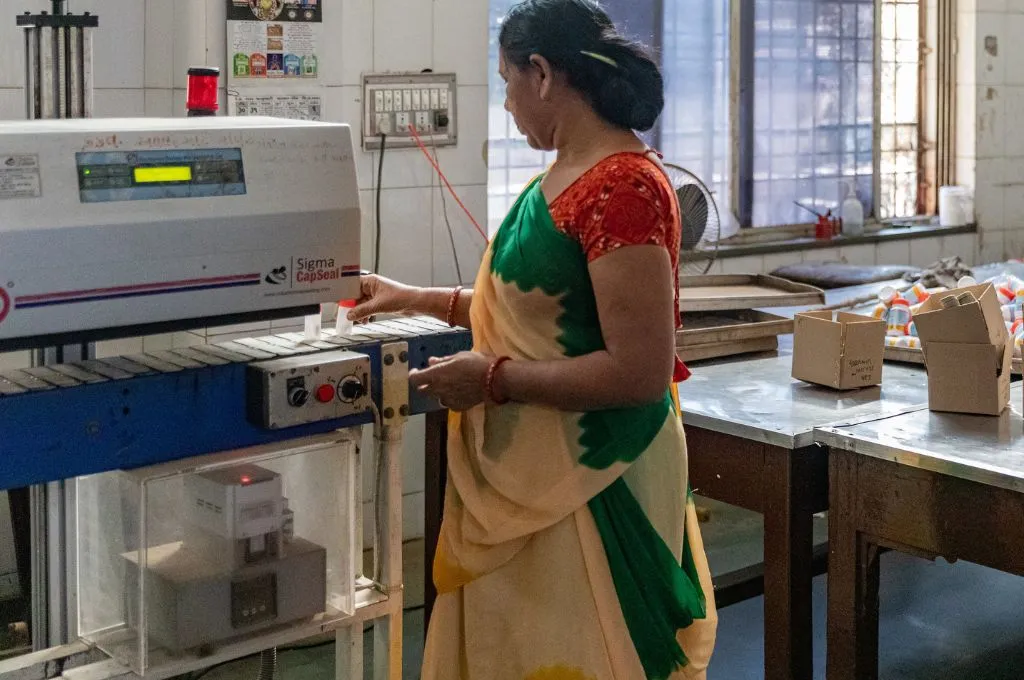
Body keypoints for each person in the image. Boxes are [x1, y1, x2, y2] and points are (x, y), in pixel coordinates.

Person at [347, 0, 717, 677]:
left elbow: (638, 371)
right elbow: (526, 313)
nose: (509, 104)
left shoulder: (623, 188)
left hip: (596, 478)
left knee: (582, 650)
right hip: (536, 474)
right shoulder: (559, 180)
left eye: (507, 82)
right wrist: (412, 297)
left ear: (542, 74)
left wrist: (491, 380)